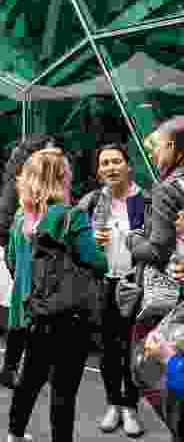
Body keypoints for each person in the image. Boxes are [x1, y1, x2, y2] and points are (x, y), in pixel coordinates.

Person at [4, 148, 107, 442]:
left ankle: (15, 434)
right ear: (62, 177)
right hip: (67, 315)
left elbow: (12, 261)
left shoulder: (21, 217)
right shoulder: (71, 217)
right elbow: (98, 263)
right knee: (64, 389)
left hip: (31, 310)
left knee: (29, 379)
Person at [77, 143, 147, 436]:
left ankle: (131, 407)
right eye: (104, 163)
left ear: (128, 166)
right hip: (103, 282)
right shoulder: (93, 201)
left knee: (132, 347)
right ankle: (113, 404)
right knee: (107, 349)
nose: (110, 167)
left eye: (116, 161)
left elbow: (158, 244)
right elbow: (75, 240)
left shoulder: (145, 201)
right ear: (98, 170)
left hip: (135, 282)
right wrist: (91, 240)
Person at [127, 117, 184, 435]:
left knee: (150, 365)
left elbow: (157, 251)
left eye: (158, 146)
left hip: (169, 301)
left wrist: (133, 240)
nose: (153, 154)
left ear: (174, 147)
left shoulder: (167, 189)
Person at [0, 133, 62, 389]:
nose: (55, 156)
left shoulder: (26, 191)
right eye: (49, 151)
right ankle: (18, 369)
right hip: (28, 260)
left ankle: (14, 368)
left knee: (23, 312)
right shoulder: (29, 197)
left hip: (24, 260)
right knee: (28, 312)